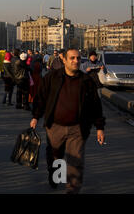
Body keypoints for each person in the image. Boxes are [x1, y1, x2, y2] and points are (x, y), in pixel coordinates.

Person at [30, 48, 106, 194]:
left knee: (76, 161)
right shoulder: (52, 77)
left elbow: (96, 106)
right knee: (56, 156)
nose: (76, 61)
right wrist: (36, 116)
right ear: (64, 60)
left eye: (78, 58)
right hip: (55, 126)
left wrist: (100, 127)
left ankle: (72, 189)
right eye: (72, 58)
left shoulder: (86, 81)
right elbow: (41, 98)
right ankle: (55, 176)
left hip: (78, 128)